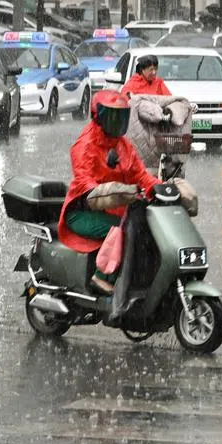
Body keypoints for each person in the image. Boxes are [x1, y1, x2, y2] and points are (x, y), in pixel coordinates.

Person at [58, 90, 160, 294]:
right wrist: (109, 191)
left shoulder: (123, 145)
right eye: (112, 116)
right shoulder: (85, 145)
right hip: (83, 213)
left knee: (150, 230)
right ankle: (102, 276)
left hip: (119, 210)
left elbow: (140, 175)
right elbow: (84, 181)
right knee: (124, 231)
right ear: (98, 116)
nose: (116, 122)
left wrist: (159, 187)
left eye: (120, 116)